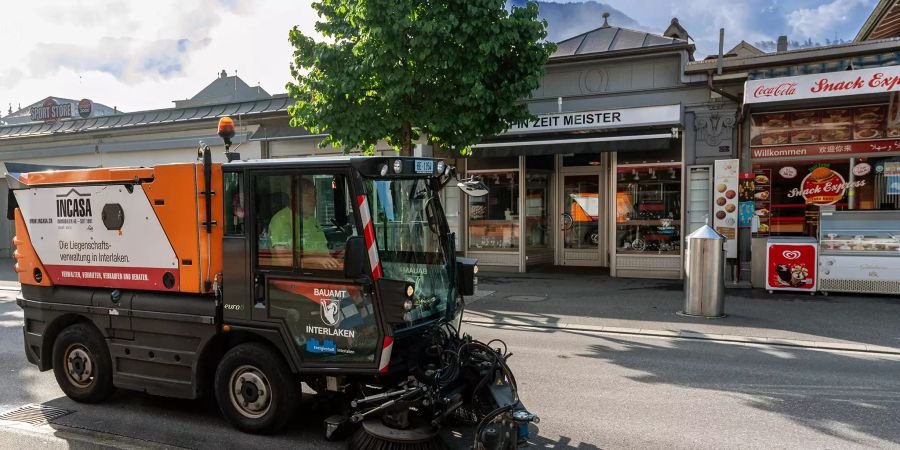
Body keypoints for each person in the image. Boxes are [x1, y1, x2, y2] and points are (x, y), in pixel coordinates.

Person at [268, 178, 342, 270]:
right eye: (308, 196)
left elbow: (321, 250)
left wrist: (337, 255)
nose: (313, 200)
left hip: (321, 271)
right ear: (294, 197)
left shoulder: (312, 220)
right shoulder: (281, 220)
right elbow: (285, 261)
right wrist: (318, 260)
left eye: (314, 195)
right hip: (298, 276)